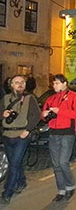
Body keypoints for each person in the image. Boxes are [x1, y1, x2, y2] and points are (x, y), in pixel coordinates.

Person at [41, 74, 76, 202]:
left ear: (65, 83)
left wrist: (61, 111)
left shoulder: (73, 96)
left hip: (67, 133)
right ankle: (61, 189)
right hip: (54, 133)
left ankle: (70, 185)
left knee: (63, 162)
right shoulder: (51, 98)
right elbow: (43, 115)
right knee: (56, 164)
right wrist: (44, 114)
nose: (55, 85)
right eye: (53, 83)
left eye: (57, 83)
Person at [0, 75, 41, 204]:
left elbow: (37, 116)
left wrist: (27, 130)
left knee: (14, 164)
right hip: (7, 135)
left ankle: (8, 192)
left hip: (21, 136)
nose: (20, 84)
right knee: (14, 163)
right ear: (11, 85)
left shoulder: (29, 98)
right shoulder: (6, 99)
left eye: (22, 82)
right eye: (17, 82)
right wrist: (3, 115)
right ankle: (22, 181)